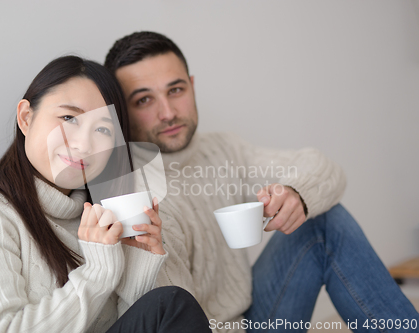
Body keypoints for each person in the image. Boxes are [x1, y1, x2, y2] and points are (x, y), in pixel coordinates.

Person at [104, 32, 419, 332]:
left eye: (176, 90)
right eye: (144, 100)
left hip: (253, 319)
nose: (168, 113)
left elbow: (324, 167)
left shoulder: (222, 148)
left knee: (323, 220)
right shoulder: (128, 193)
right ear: (121, 112)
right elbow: (171, 315)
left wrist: (296, 194)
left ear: (193, 86)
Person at [0, 55, 212, 333]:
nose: (83, 144)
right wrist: (97, 275)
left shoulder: (103, 223)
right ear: (26, 118)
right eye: (69, 118)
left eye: (102, 128)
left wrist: (137, 268)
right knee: (170, 304)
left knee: (167, 304)